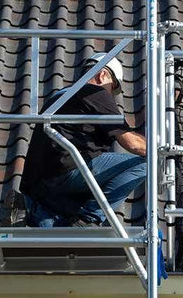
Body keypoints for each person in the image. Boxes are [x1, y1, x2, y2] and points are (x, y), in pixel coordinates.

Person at [17, 53, 146, 228]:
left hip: (41, 185)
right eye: (112, 87)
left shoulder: (59, 97)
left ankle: (27, 208)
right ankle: (89, 218)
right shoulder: (95, 92)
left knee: (60, 226)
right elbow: (132, 144)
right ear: (102, 75)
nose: (111, 95)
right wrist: (161, 150)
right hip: (69, 169)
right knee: (145, 164)